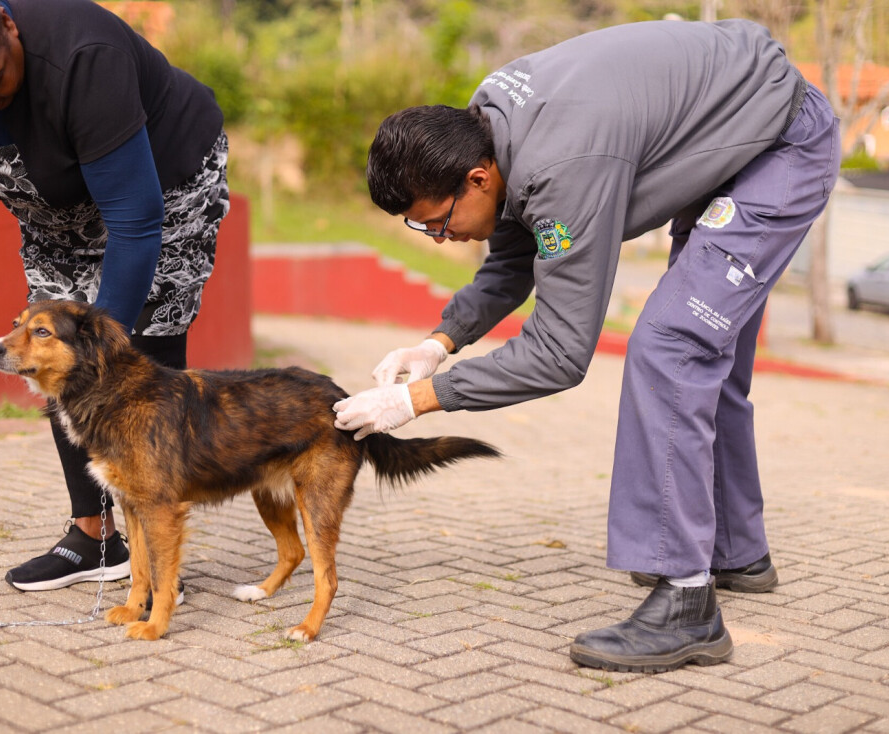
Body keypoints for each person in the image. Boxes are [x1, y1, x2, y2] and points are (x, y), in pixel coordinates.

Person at [334, 18, 838, 672]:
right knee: (702, 358)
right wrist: (441, 340)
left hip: (778, 147)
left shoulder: (561, 163)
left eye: (437, 222)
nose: (438, 238)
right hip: (734, 133)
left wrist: (418, 399)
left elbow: (561, 352)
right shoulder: (494, 122)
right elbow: (517, 252)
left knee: (670, 347)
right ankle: (735, 549)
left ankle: (688, 601)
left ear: (478, 179)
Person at [0, 0, 230, 595]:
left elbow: (136, 223)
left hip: (161, 191)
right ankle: (93, 538)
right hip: (55, 211)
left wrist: (103, 351)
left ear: (7, 24)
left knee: (137, 352)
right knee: (52, 353)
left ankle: (155, 556)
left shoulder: (84, 56)